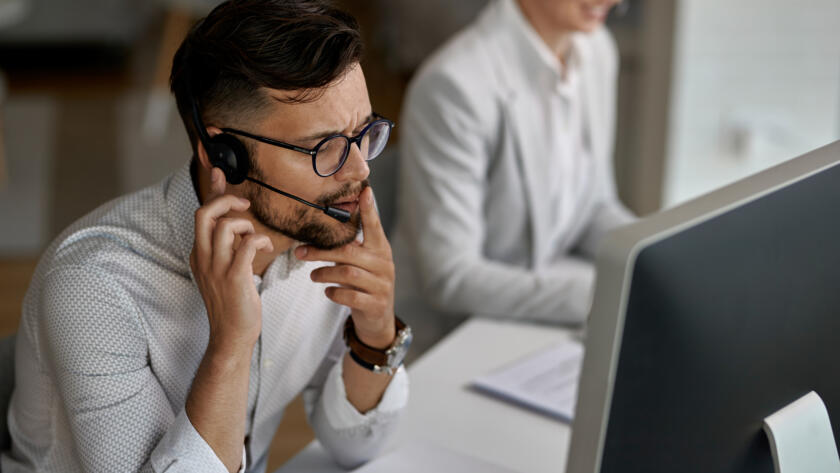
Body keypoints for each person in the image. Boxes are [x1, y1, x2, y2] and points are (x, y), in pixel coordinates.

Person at [1, 1, 411, 472]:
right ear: (222, 153)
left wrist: (376, 334)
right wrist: (231, 343)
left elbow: (353, 448)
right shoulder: (93, 288)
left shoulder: (324, 230)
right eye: (323, 147)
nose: (360, 168)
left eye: (364, 134)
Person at [393, 0, 635, 349]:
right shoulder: (454, 84)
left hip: (536, 312)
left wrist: (654, 259)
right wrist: (601, 296)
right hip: (454, 337)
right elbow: (452, 276)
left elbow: (593, 207)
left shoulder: (597, 52)